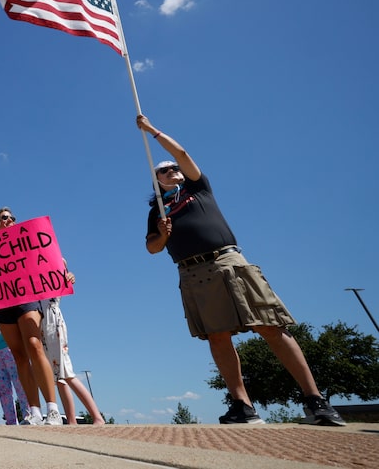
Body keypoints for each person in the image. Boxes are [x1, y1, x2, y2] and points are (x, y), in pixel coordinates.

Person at [136, 114, 346, 426]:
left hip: (228, 261)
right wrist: (164, 233)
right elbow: (152, 246)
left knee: (271, 326)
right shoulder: (157, 211)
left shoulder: (198, 187)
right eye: (165, 170)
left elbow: (183, 154)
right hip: (193, 272)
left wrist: (153, 131)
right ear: (157, 180)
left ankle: (315, 400)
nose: (173, 170)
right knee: (217, 337)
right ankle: (242, 405)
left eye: (174, 169)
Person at [0, 207, 62, 425]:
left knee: (34, 344)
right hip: (2, 303)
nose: (11, 221)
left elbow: (45, 258)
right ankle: (34, 411)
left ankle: (52, 409)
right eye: (5, 218)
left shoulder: (26, 239)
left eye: (12, 218)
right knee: (19, 355)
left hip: (27, 298)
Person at [40, 295, 106, 425]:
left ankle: (97, 416)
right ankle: (72, 420)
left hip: (53, 325)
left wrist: (68, 277)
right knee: (60, 378)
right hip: (43, 327)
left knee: (67, 373)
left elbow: (62, 279)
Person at [0, 332, 30, 425]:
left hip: (10, 348)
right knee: (3, 389)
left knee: (20, 385)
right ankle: (11, 421)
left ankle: (28, 416)